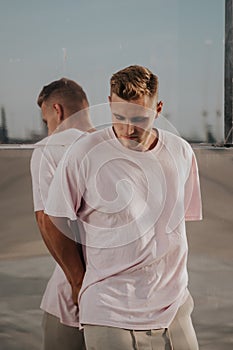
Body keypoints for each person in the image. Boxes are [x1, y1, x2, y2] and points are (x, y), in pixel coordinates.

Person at [44, 65, 202, 350]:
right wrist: (79, 283)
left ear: (159, 108)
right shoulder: (84, 153)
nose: (129, 129)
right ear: (110, 105)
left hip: (174, 303)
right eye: (119, 117)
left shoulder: (181, 151)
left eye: (140, 118)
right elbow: (53, 220)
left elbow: (174, 225)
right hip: (108, 307)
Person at [30, 78, 95, 350]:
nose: (48, 129)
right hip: (119, 301)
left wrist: (77, 283)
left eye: (46, 121)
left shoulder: (50, 148)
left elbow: (47, 219)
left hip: (72, 298)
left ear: (57, 110)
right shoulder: (113, 145)